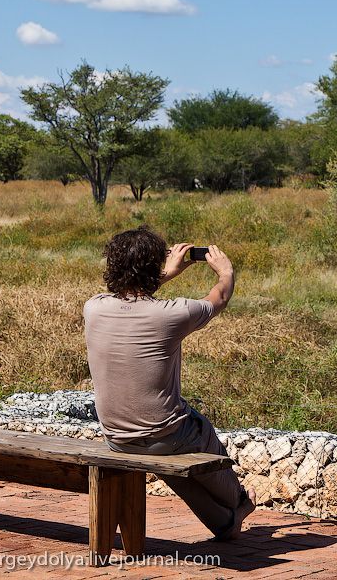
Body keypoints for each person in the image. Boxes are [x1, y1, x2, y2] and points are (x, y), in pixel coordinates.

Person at [83, 225, 255, 541]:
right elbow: (219, 299)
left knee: (169, 459)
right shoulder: (174, 314)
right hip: (166, 435)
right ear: (153, 267)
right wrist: (226, 274)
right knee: (198, 432)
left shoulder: (94, 307)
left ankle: (226, 523)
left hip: (116, 437)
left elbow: (130, 297)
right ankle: (239, 501)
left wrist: (165, 274)